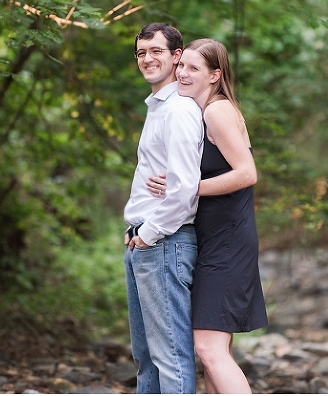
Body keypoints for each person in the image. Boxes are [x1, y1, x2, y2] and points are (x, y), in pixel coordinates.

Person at [147, 38, 268, 393]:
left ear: (215, 75)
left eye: (193, 69)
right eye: (181, 65)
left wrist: (185, 187)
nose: (182, 73)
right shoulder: (200, 114)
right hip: (215, 240)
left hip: (228, 244)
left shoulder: (217, 111)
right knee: (213, 354)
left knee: (208, 349)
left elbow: (247, 173)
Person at [123, 22, 204, 394]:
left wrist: (148, 235)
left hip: (163, 242)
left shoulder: (179, 111)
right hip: (144, 240)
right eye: (141, 52)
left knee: (170, 356)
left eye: (156, 51)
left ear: (176, 56)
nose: (147, 59)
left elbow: (185, 189)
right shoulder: (158, 108)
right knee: (147, 360)